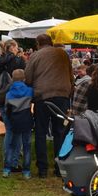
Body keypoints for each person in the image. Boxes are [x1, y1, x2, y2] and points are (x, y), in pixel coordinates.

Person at [24, 34, 73, 179]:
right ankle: (60, 167)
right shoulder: (63, 54)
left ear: (38, 43)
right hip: (62, 95)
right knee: (60, 131)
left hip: (42, 97)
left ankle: (43, 169)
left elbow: (28, 78)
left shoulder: (35, 56)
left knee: (41, 132)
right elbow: (71, 76)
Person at [2, 69, 34, 179]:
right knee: (27, 146)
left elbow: (7, 110)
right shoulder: (30, 91)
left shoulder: (9, 94)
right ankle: (26, 171)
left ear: (12, 79)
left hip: (14, 121)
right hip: (26, 120)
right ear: (24, 79)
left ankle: (7, 169)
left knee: (11, 145)